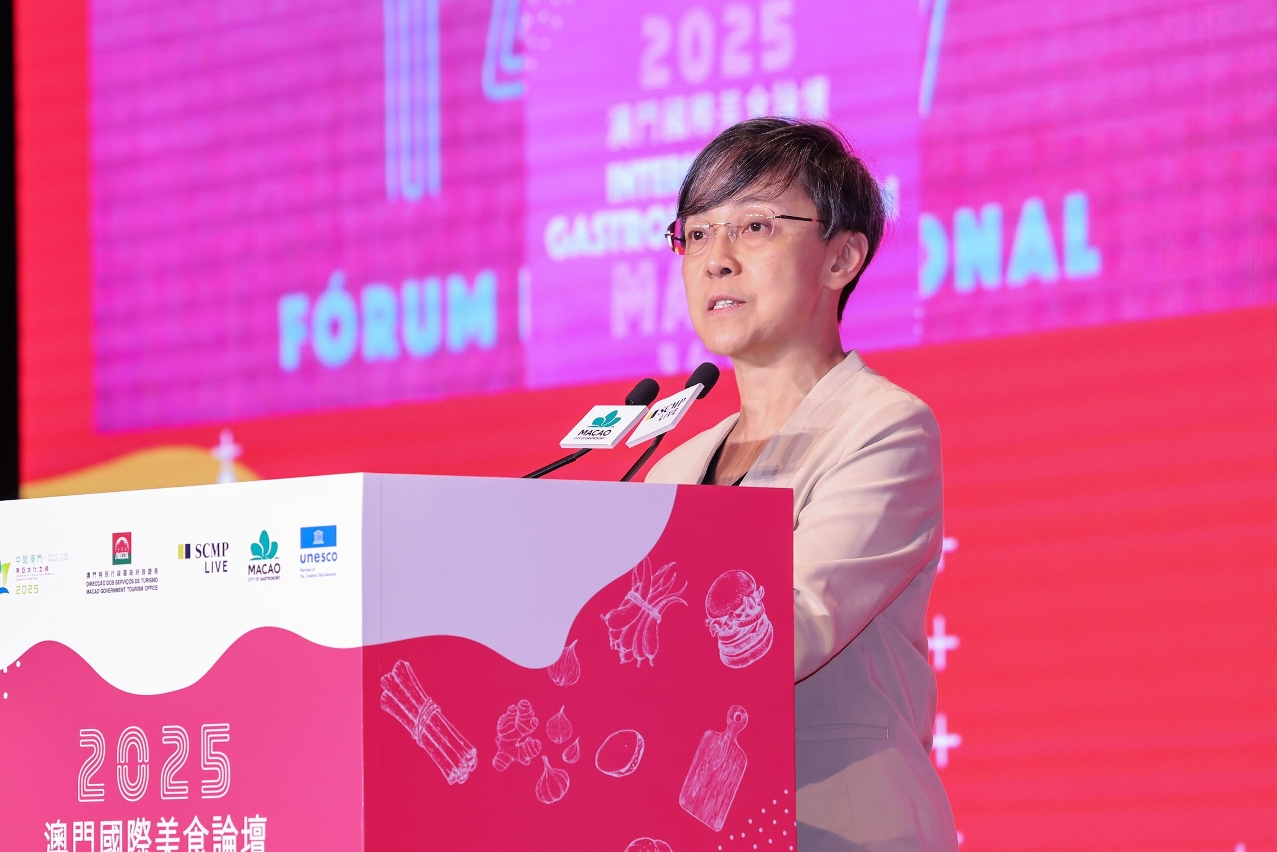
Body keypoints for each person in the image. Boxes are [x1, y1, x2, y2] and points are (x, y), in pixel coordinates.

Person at [645, 118, 958, 850]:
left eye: (754, 227)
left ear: (841, 257)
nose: (716, 261)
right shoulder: (671, 467)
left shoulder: (883, 427)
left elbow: (790, 626)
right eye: (696, 235)